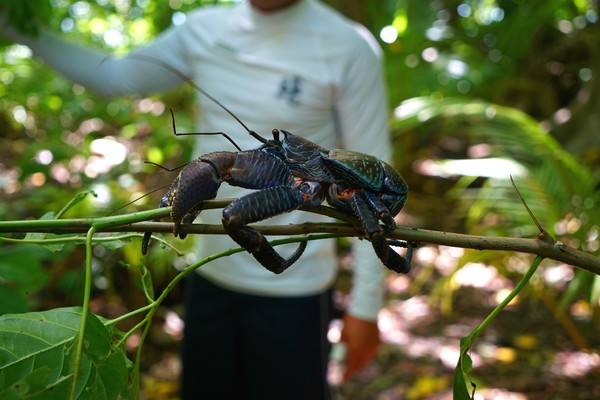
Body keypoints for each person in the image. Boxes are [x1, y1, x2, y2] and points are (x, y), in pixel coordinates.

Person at [1, 0, 392, 398]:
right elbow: (115, 75)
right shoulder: (204, 29)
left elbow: (372, 177)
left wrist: (366, 306)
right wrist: (12, 23)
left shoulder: (348, 46)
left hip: (297, 289)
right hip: (208, 273)